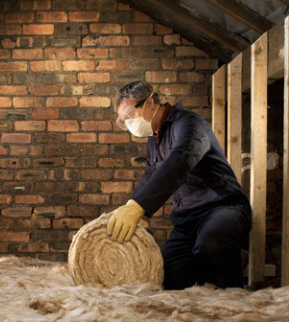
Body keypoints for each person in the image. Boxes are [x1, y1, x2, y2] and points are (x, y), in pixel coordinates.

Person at [106, 81, 251, 290]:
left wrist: (139, 207)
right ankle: (211, 265)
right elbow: (150, 177)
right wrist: (128, 207)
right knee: (168, 277)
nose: (129, 123)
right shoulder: (153, 138)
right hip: (187, 220)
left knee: (212, 244)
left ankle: (232, 260)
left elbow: (181, 158)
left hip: (222, 207)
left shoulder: (188, 123)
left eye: (129, 115)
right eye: (123, 120)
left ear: (149, 103)